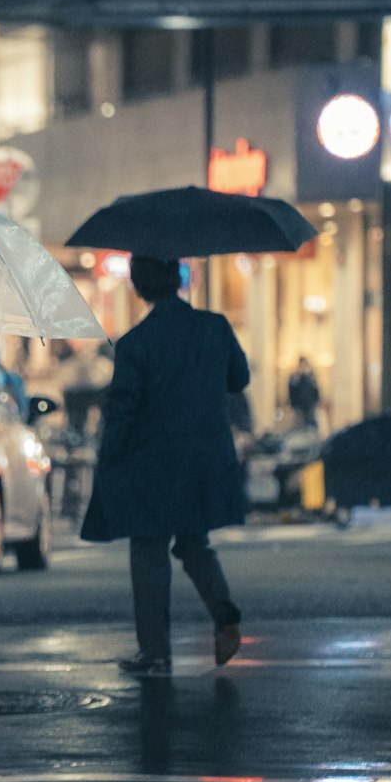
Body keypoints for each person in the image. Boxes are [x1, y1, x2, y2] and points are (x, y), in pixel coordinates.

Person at [81, 254, 249, 677]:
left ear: (139, 286)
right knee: (194, 542)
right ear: (178, 278)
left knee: (149, 552)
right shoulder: (215, 328)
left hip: (152, 465)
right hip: (205, 461)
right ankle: (224, 611)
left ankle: (155, 653)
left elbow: (122, 411)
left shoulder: (136, 343)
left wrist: (109, 459)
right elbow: (240, 379)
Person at [288, 355, 320, 428]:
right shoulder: (295, 376)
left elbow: (316, 390)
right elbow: (292, 390)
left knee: (311, 424)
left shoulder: (311, 376)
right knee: (299, 425)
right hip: (299, 405)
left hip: (310, 404)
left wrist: (316, 402)